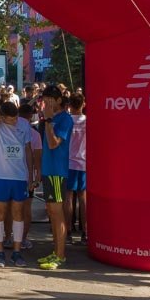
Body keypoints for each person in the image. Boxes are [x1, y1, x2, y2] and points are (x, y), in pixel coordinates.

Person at [0, 101, 34, 267]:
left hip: (19, 176)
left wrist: (30, 173)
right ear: (2, 116)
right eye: (10, 119)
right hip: (0, 176)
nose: (14, 121)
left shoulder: (24, 124)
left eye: (16, 118)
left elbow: (28, 149)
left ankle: (17, 252)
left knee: (18, 213)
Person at [38, 85, 73, 270]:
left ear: (58, 100)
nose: (46, 103)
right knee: (52, 212)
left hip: (58, 172)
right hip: (48, 171)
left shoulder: (64, 119)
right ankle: (55, 251)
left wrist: (49, 119)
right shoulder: (50, 119)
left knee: (58, 213)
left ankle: (61, 255)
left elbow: (53, 144)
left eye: (49, 100)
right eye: (44, 100)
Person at [66, 93, 88, 245]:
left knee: (68, 198)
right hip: (85, 163)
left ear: (69, 105)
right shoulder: (88, 121)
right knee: (83, 198)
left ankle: (67, 230)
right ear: (83, 104)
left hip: (68, 163)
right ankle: (85, 232)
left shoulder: (66, 121)